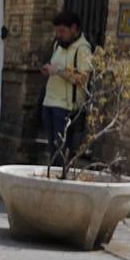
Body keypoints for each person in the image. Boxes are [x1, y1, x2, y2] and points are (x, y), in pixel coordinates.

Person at [39, 9, 93, 166]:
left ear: (74, 28)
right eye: (57, 31)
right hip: (49, 102)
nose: (59, 35)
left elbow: (83, 79)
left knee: (61, 151)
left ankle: (59, 176)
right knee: (52, 149)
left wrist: (59, 71)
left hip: (66, 107)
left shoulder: (83, 49)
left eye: (62, 31)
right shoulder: (58, 45)